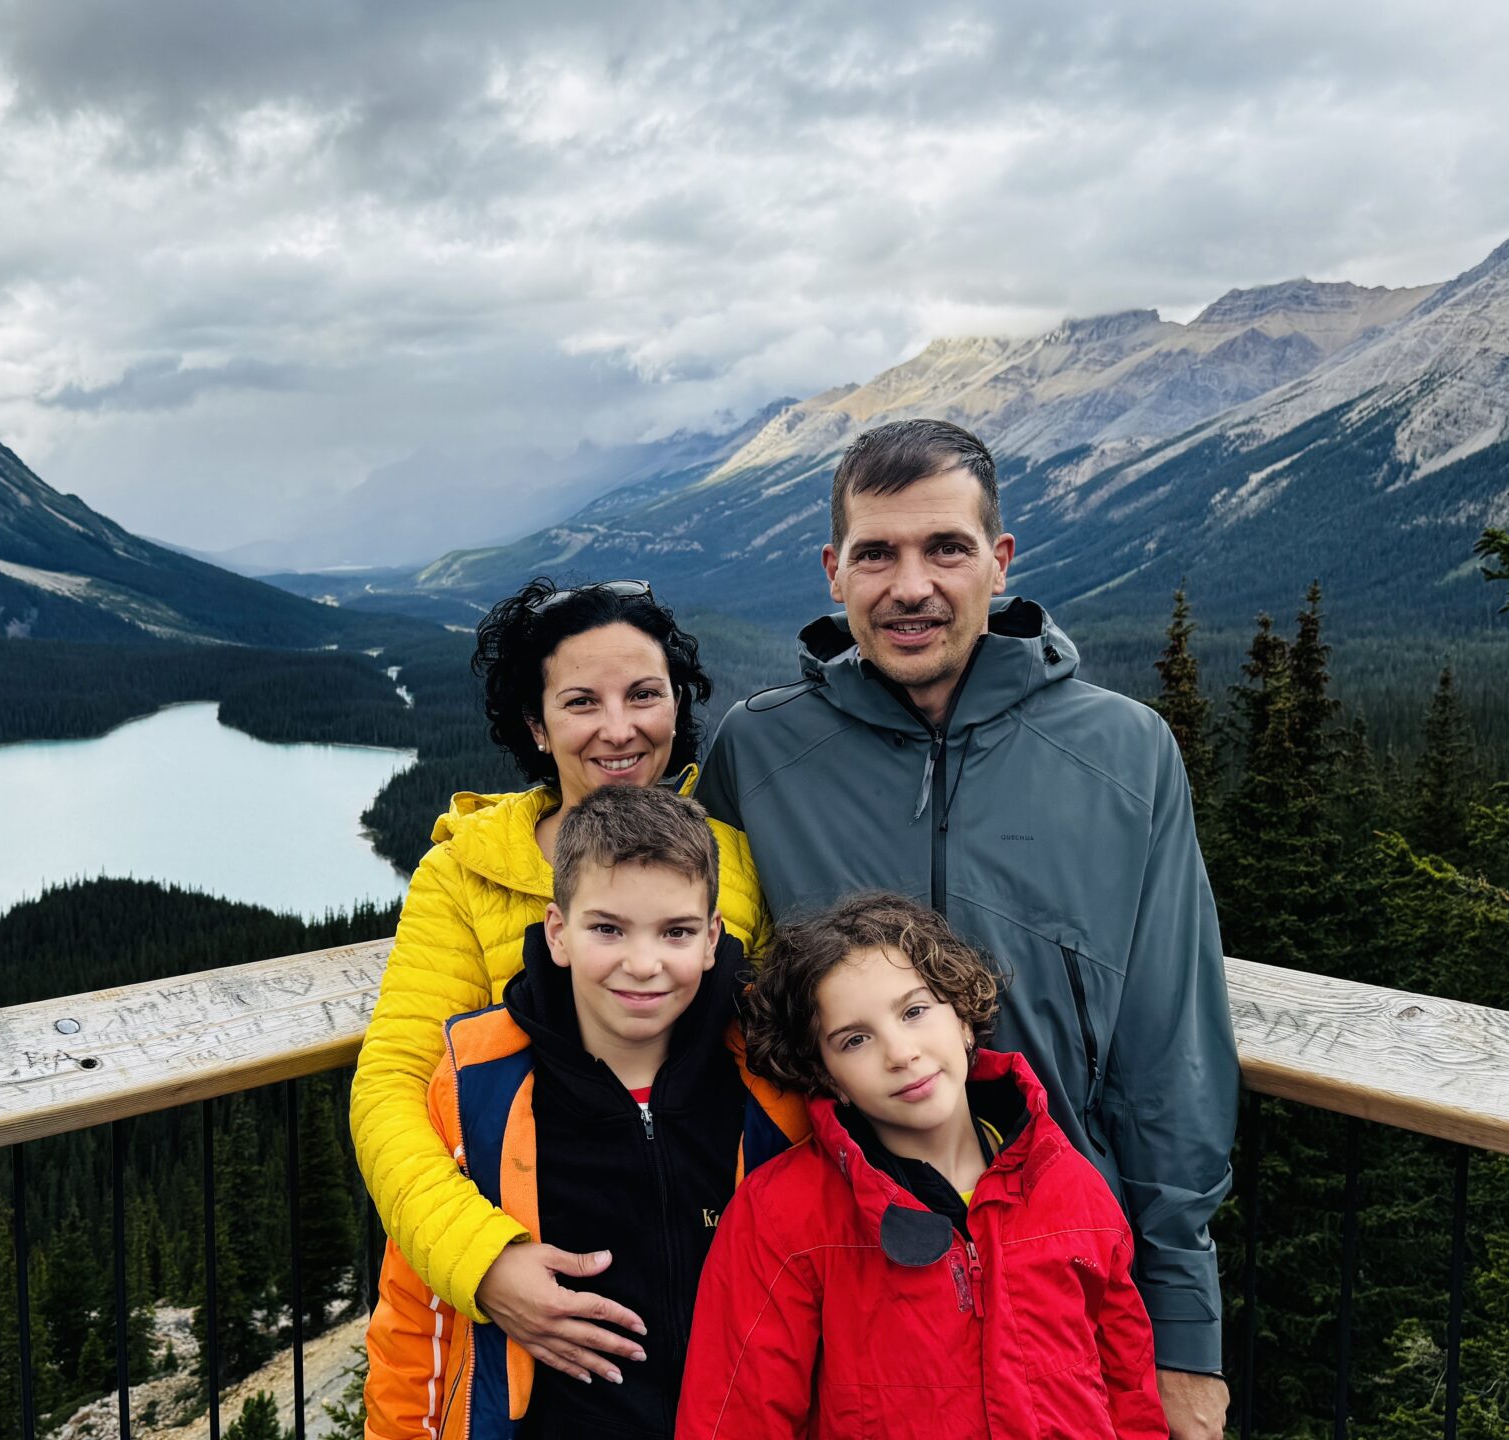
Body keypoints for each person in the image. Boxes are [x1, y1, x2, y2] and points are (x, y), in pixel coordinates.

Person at [692, 419, 1236, 1438]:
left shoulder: (1125, 753)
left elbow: (1172, 1055)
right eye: (876, 553)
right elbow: (680, 977)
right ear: (833, 570)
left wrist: (1183, 1332)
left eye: (944, 548)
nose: (910, 586)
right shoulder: (755, 754)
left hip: (1067, 1295)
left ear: (998, 560)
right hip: (833, 1307)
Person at [352, 578, 766, 1389]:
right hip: (541, 1292)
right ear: (536, 727)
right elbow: (391, 1089)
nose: (620, 729)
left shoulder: (737, 860)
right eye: (582, 703)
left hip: (724, 1289)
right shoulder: (464, 875)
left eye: (645, 695)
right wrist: (485, 1263)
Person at [364, 785, 806, 1440]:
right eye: (608, 929)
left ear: (714, 939)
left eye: (677, 932)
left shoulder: (770, 1093)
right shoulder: (480, 1095)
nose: (644, 964)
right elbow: (415, 1330)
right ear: (557, 932)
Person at [676, 893, 1167, 1440]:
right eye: (855, 1039)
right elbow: (734, 1420)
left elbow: (1130, 1396)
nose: (900, 1052)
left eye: (914, 1011)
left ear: (961, 1015)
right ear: (827, 1074)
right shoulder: (782, 1215)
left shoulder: (1075, 1189)